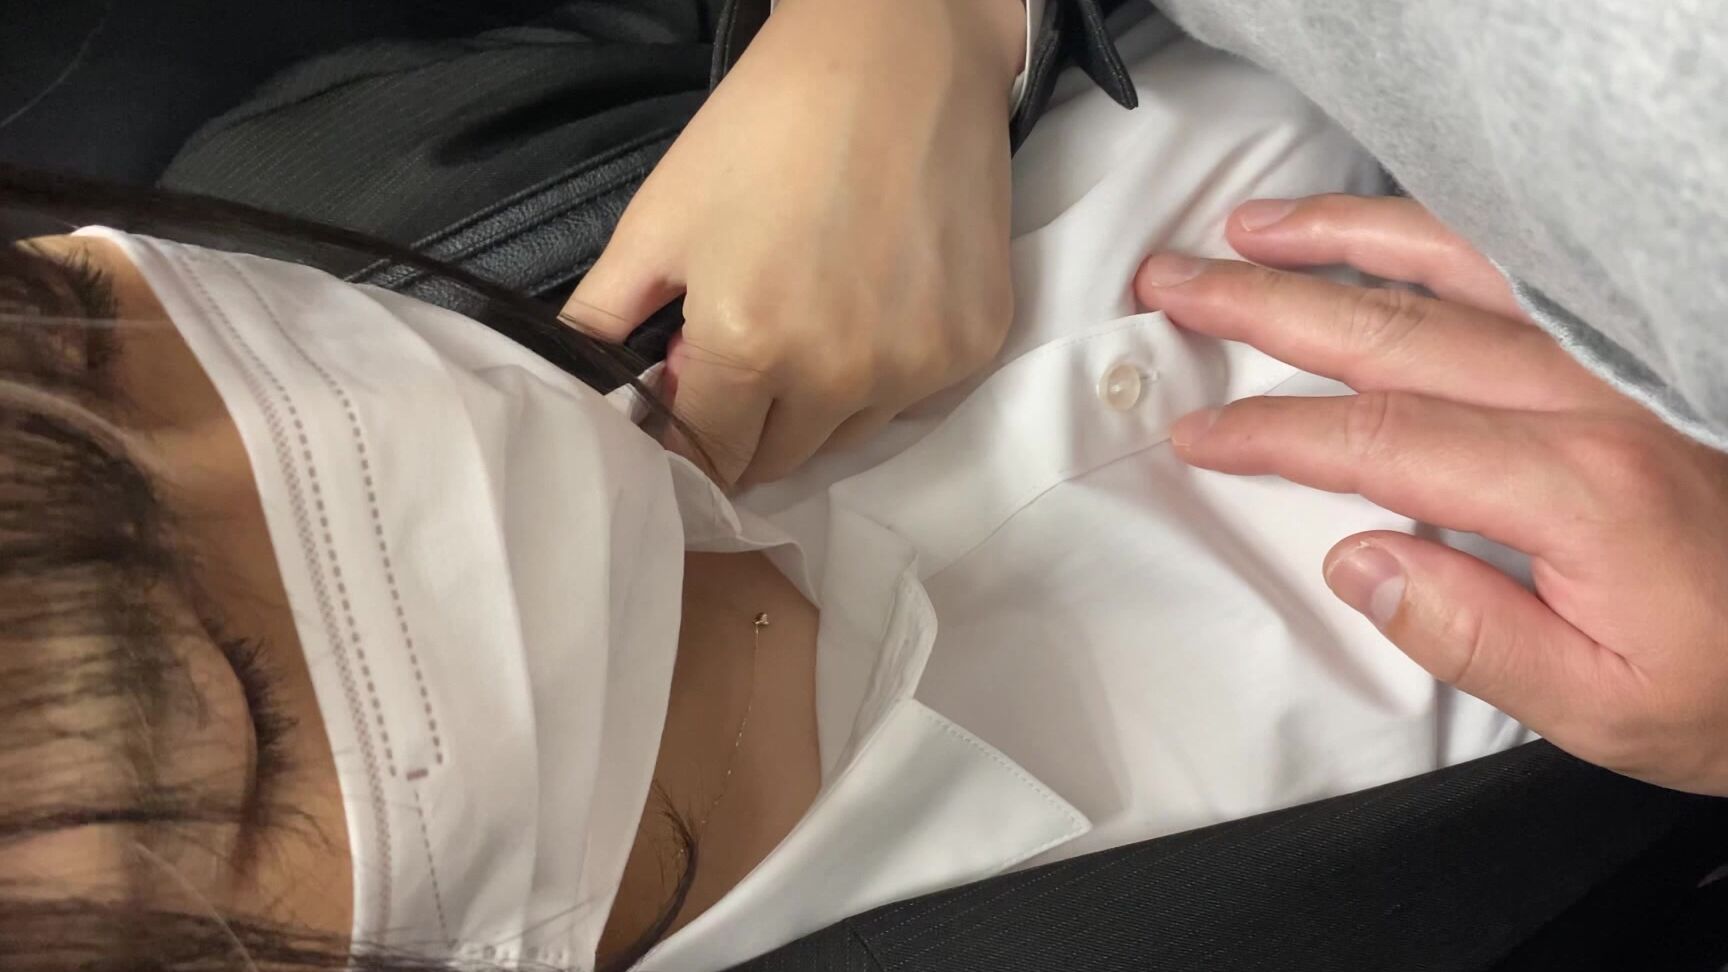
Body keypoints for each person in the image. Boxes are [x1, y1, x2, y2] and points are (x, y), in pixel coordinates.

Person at [18, 17, 1712, 972]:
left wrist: (911, 22)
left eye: (78, 333)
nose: (292, 428)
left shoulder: (355, 169)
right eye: (220, 699)